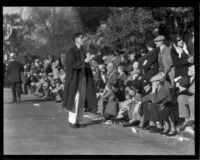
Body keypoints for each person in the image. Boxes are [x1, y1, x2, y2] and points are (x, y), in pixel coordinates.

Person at [62, 32, 90, 128]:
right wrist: (84, 61)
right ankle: (72, 121)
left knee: (81, 99)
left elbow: (86, 63)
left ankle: (79, 120)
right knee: (75, 99)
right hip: (74, 78)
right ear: (76, 39)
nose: (83, 39)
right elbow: (71, 64)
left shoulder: (83, 51)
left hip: (83, 77)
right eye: (81, 38)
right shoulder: (71, 51)